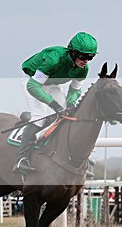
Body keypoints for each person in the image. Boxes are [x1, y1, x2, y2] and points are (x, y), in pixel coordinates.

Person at [13, 32, 97, 174]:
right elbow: (33, 86)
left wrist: (71, 103)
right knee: (40, 117)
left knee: (68, 115)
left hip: (51, 85)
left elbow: (74, 90)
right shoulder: (54, 60)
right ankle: (21, 159)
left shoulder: (84, 69)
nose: (86, 61)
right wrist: (54, 105)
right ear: (73, 53)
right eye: (83, 56)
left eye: (90, 57)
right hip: (32, 81)